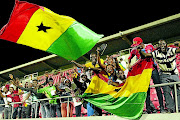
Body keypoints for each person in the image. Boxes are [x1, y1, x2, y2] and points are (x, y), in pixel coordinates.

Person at [141, 40, 180, 113]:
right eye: (160, 44)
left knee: (177, 91)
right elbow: (146, 55)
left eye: (163, 44)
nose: (162, 45)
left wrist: (179, 44)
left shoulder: (171, 50)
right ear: (159, 46)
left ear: (166, 45)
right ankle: (170, 109)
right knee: (166, 92)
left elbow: (178, 50)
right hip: (164, 74)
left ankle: (178, 108)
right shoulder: (156, 53)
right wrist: (140, 50)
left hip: (173, 73)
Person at [128, 37, 165, 113]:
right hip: (144, 71)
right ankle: (148, 108)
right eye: (135, 45)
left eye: (138, 45)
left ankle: (162, 107)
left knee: (158, 87)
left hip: (152, 69)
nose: (137, 47)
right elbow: (129, 58)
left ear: (141, 43)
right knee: (146, 89)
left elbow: (152, 54)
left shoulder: (149, 46)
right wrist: (129, 64)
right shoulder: (134, 50)